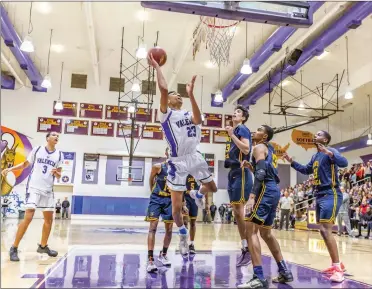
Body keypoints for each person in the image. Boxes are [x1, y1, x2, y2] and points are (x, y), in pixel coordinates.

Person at [148, 53, 218, 256]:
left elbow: (197, 119)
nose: (177, 95)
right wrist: (157, 67)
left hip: (194, 155)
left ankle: (197, 194)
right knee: (176, 209)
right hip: (177, 162)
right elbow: (162, 88)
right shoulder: (166, 114)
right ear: (168, 101)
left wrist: (192, 94)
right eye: (174, 94)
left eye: (179, 95)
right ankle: (183, 234)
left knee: (212, 186)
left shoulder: (189, 113)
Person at [283, 130, 348, 282]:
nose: (315, 136)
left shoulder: (331, 151)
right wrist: (291, 162)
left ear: (325, 139)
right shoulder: (315, 156)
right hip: (319, 195)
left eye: (318, 134)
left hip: (331, 193)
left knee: (326, 230)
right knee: (323, 231)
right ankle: (337, 264)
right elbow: (307, 170)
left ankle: (338, 269)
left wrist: (330, 153)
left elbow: (344, 163)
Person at [239, 125, 293, 288]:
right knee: (266, 233)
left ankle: (259, 277)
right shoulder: (269, 149)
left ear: (264, 136)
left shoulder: (258, 147)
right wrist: (252, 167)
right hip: (274, 190)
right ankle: (284, 271)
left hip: (265, 190)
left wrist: (252, 196)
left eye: (259, 129)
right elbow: (265, 169)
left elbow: (262, 174)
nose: (255, 131)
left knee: (251, 231)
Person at [2, 132, 63, 261]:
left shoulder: (59, 155)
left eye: (58, 136)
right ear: (47, 138)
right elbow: (25, 164)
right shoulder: (37, 150)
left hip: (47, 190)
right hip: (34, 187)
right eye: (54, 135)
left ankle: (43, 246)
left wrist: (56, 173)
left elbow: (59, 175)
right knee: (28, 217)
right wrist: (11, 169)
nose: (56, 137)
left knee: (49, 220)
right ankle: (14, 247)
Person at [224, 105, 253, 267]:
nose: (234, 113)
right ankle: (244, 246)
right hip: (234, 172)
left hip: (242, 174)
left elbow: (247, 148)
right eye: (234, 111)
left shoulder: (242, 128)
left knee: (239, 210)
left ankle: (248, 246)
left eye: (238, 112)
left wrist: (231, 135)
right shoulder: (235, 131)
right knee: (236, 211)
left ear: (242, 118)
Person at [145, 147, 173, 273]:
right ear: (166, 153)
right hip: (156, 198)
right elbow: (151, 179)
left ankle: (163, 254)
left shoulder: (179, 169)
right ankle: (150, 260)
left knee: (169, 229)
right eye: (170, 151)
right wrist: (153, 192)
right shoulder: (158, 167)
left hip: (169, 200)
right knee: (153, 227)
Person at [183, 174, 201, 254]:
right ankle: (184, 243)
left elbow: (205, 187)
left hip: (195, 200)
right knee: (185, 222)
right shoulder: (184, 173)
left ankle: (192, 244)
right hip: (186, 199)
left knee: (193, 223)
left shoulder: (199, 174)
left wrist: (207, 203)